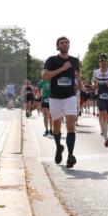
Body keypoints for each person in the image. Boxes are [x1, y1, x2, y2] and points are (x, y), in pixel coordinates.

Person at [40, 37, 82, 168]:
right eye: (61, 43)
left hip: (70, 97)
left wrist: (79, 84)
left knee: (71, 125)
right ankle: (59, 147)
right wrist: (62, 69)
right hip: (55, 98)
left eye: (66, 42)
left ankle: (70, 156)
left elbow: (78, 75)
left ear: (69, 45)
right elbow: (44, 76)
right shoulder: (52, 60)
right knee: (56, 127)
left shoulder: (75, 61)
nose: (64, 44)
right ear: (57, 46)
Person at [93, 54, 108, 147]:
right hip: (100, 96)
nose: (103, 62)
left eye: (104, 61)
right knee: (104, 114)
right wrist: (94, 85)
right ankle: (106, 136)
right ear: (99, 62)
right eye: (101, 61)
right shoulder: (96, 72)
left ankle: (104, 129)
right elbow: (94, 83)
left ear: (107, 61)